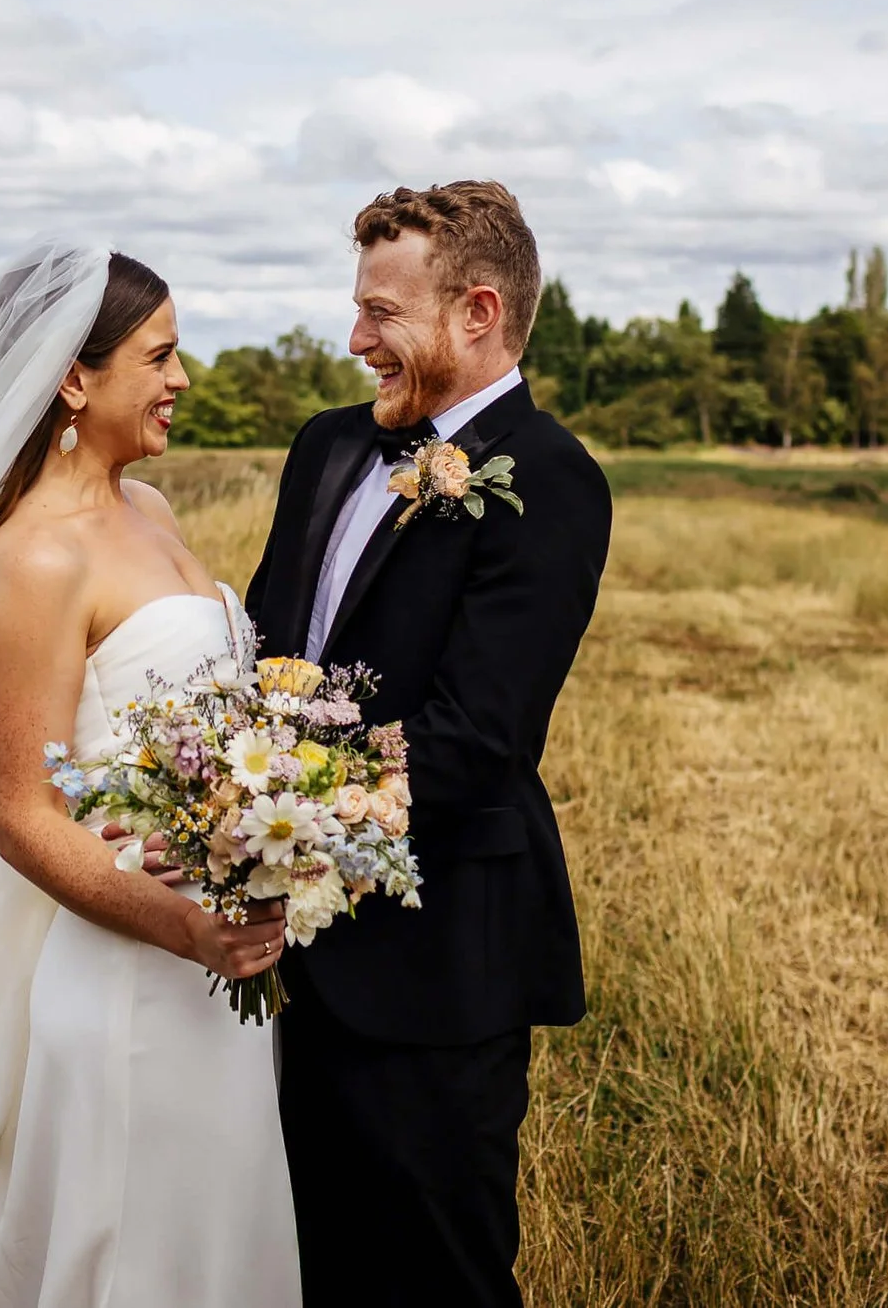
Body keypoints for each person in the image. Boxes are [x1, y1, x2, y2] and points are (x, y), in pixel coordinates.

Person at [0, 244, 299, 1308]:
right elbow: (22, 817)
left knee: (222, 1243)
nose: (182, 379)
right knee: (128, 1248)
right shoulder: (32, 558)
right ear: (72, 378)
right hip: (134, 966)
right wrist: (184, 929)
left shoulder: (156, 513)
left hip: (225, 962)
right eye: (159, 356)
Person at [244, 180, 611, 1307]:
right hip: (283, 946)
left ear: (477, 312)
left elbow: (474, 737)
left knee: (436, 1272)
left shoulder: (549, 479)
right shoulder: (325, 447)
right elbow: (272, 649)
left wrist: (269, 813)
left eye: (381, 314)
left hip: (440, 957)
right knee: (307, 1260)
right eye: (356, 308)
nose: (356, 339)